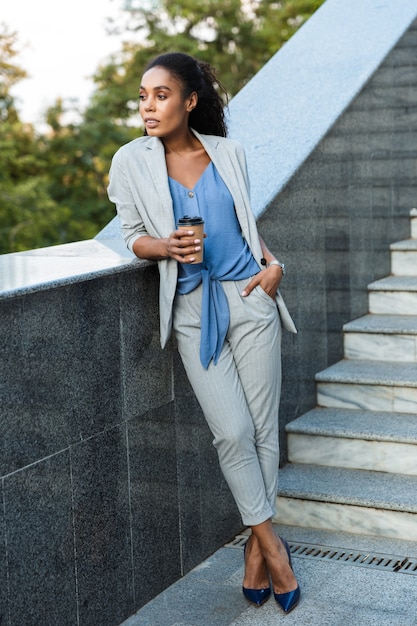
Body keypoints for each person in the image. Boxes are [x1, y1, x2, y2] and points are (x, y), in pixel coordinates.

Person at [108, 52, 300, 614]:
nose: (147, 107)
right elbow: (131, 235)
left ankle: (254, 555)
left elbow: (246, 224)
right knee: (234, 433)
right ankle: (273, 548)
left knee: (264, 429)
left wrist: (274, 268)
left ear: (189, 101)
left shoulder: (229, 153)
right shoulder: (130, 161)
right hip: (193, 309)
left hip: (249, 298)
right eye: (142, 96)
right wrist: (165, 246)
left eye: (160, 95)